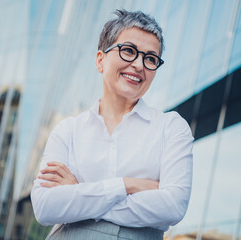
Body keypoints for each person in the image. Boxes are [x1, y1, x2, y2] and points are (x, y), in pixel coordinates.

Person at [31, 9, 193, 240]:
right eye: (128, 51)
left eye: (150, 58)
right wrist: (127, 185)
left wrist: (79, 194)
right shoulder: (68, 130)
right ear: (100, 60)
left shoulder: (171, 128)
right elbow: (45, 207)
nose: (139, 64)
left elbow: (173, 206)